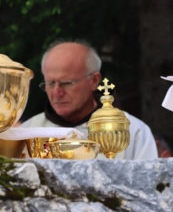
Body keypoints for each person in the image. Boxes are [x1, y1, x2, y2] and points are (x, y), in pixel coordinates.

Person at [21, 40, 158, 160]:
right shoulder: (28, 131)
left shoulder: (133, 132)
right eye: (50, 83)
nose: (57, 92)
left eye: (67, 83)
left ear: (94, 81)